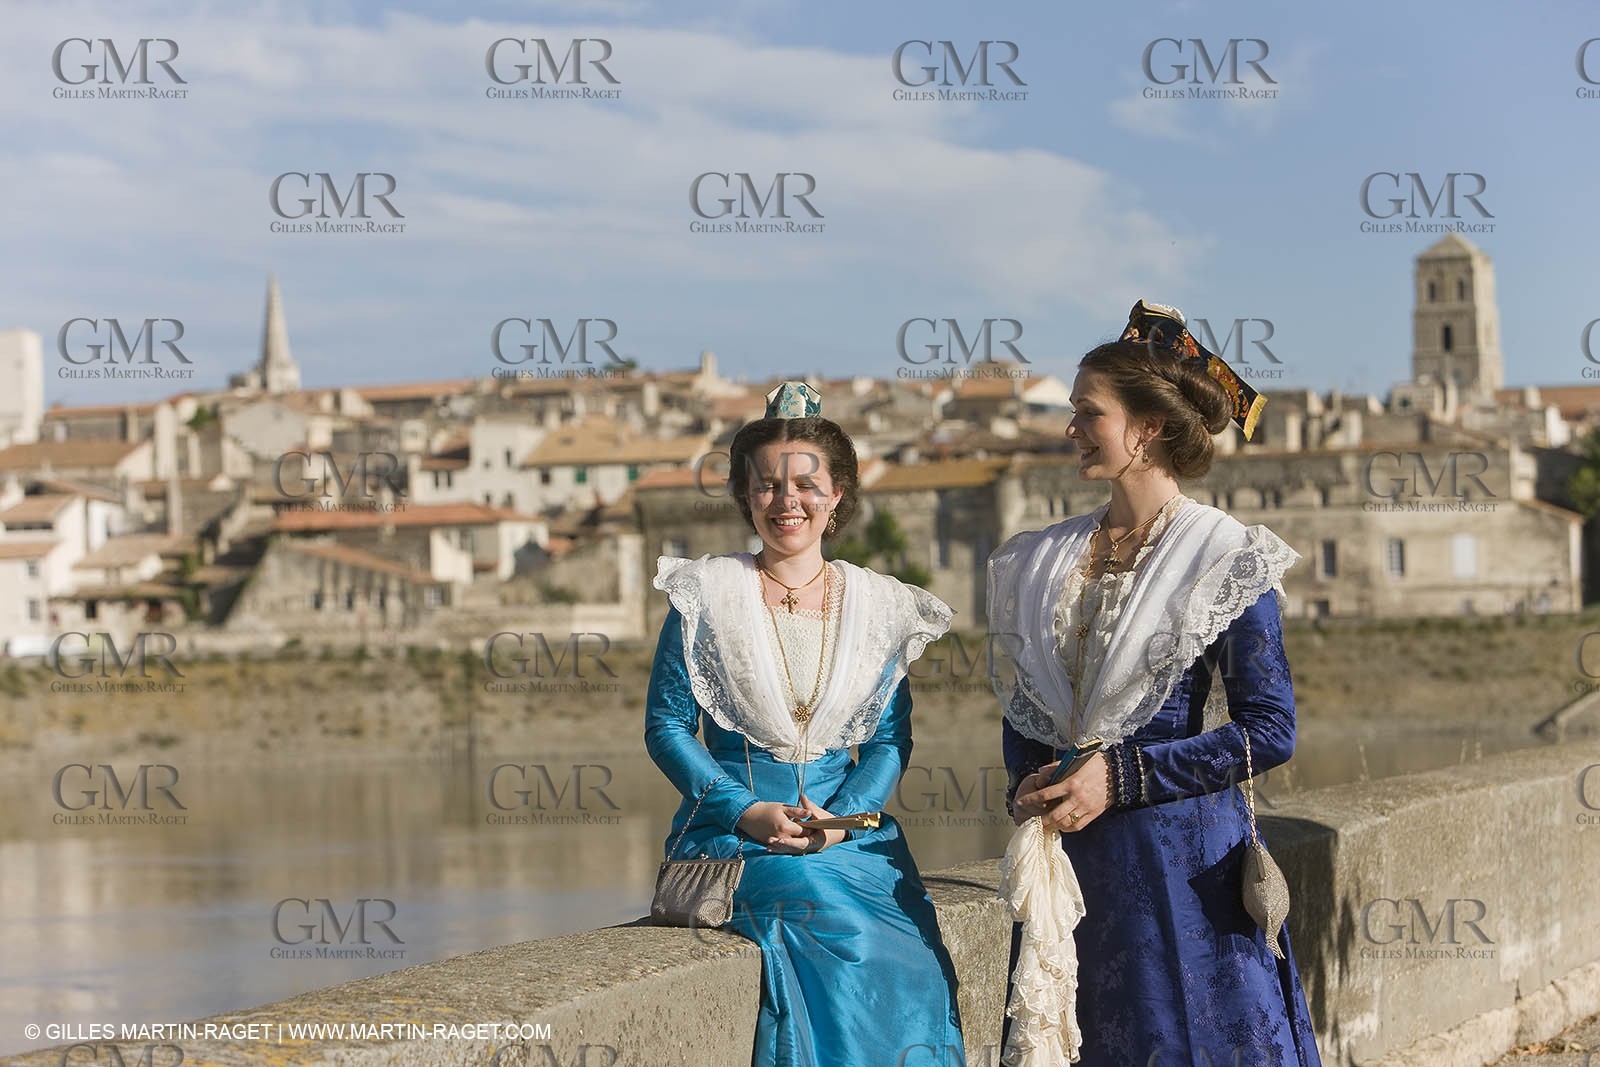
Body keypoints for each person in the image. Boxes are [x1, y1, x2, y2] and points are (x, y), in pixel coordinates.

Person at [989, 302, 1322, 1066]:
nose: (1070, 428)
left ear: (1148, 428)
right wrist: (1028, 783)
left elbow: (1270, 729)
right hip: (1075, 866)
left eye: (1087, 413)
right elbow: (1027, 705)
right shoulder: (1044, 559)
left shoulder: (1223, 558)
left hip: (1186, 873)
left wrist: (1123, 773)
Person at [646, 381, 967, 1067]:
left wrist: (842, 818)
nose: (786, 500)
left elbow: (887, 740)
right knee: (825, 916)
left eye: (805, 483)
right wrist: (747, 809)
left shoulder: (880, 606)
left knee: (909, 945)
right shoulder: (705, 595)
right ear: (744, 496)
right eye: (766, 484)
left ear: (838, 494)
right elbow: (667, 727)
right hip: (733, 832)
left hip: (849, 831)